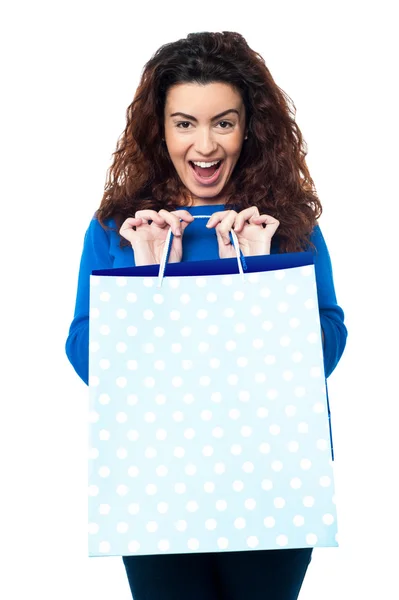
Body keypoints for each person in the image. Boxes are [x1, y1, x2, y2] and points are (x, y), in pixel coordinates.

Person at [66, 31, 347, 600]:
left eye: (224, 121)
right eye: (184, 122)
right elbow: (84, 352)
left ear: (249, 127)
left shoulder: (287, 224)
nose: (206, 144)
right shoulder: (119, 228)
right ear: (161, 129)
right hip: (153, 476)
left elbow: (329, 341)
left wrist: (261, 279)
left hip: (273, 472)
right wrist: (145, 281)